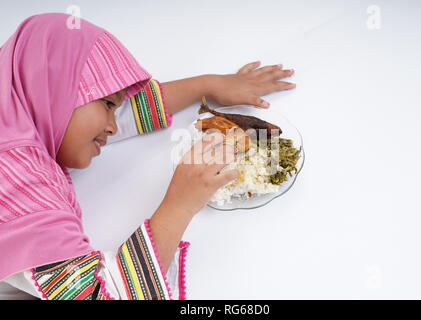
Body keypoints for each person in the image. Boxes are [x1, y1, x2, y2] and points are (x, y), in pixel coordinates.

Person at [0, 13, 296, 300]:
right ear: (52, 91)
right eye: (107, 105)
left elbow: (114, 110)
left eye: (115, 109)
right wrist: (180, 204)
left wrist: (208, 86)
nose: (113, 126)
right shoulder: (17, 177)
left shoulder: (12, 115)